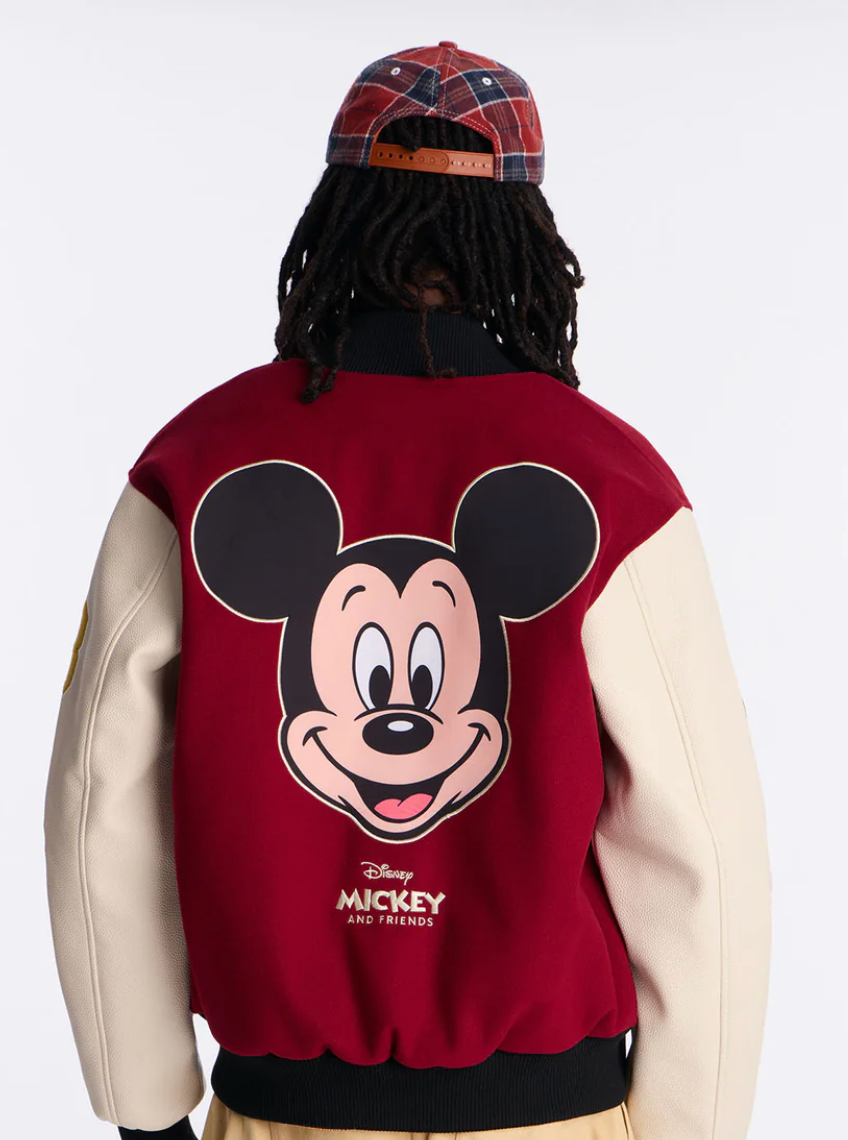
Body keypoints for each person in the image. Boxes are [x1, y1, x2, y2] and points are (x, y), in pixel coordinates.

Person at [43, 40, 772, 1140]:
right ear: (524, 230)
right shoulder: (610, 480)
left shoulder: (200, 462)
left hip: (284, 1108)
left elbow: (98, 795)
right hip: (554, 1112)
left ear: (335, 214)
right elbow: (701, 842)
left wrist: (142, 1105)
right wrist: (693, 1126)